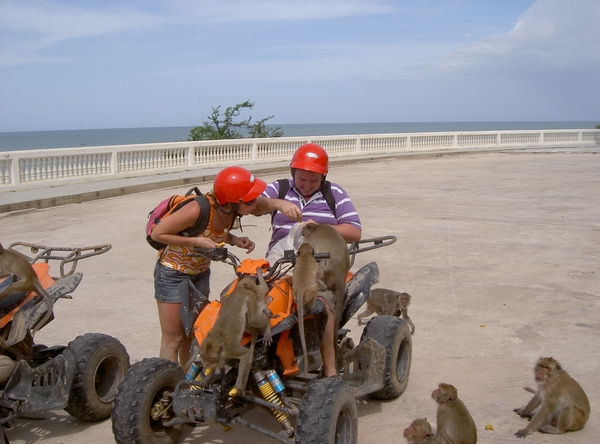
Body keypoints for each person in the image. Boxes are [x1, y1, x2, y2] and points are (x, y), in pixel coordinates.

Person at [151, 166, 300, 368]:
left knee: (192, 332)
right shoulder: (198, 209)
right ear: (234, 201)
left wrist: (234, 239)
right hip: (173, 273)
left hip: (200, 273)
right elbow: (158, 234)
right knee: (173, 338)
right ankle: (164, 383)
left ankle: (185, 380)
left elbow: (215, 230)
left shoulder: (231, 212)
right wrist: (197, 241)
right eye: (249, 201)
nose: (254, 205)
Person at [253, 143, 362, 377]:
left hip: (320, 266)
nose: (307, 185)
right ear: (293, 173)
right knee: (246, 296)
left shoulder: (335, 194)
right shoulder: (280, 188)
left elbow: (354, 231)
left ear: (323, 177)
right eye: (302, 180)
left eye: (314, 181)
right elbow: (253, 206)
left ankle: (330, 370)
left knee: (323, 306)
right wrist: (278, 204)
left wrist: (320, 227)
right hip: (280, 263)